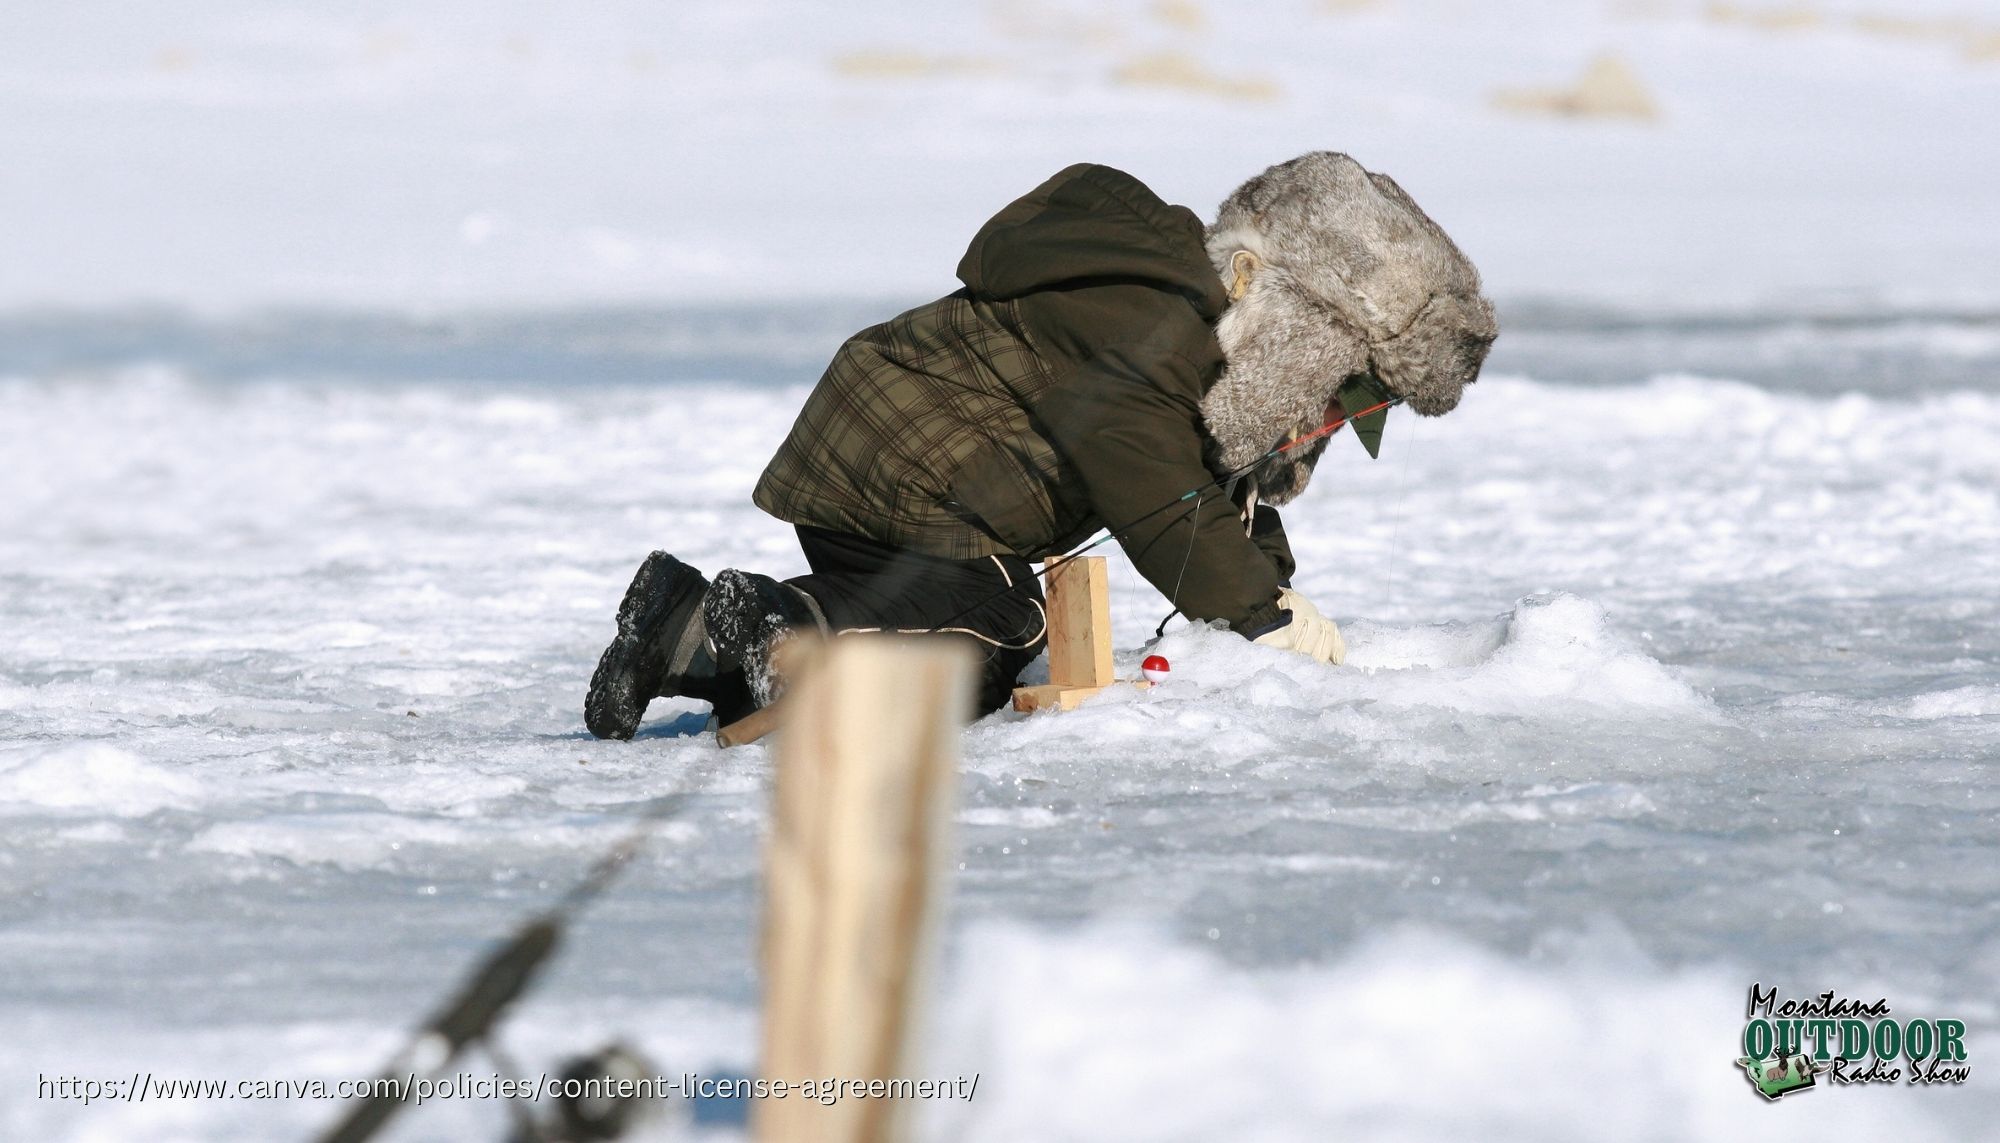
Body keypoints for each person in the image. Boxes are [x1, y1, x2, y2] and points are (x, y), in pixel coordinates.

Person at [584, 152, 1496, 740]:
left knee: (948, 646)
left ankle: (693, 630)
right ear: (1296, 324)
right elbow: (1162, 502)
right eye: (1339, 388)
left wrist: (1272, 587)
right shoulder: (1153, 322)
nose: (1328, 420)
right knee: (999, 620)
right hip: (910, 457)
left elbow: (1217, 487)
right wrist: (1259, 612)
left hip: (896, 470)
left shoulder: (1201, 348)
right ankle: (777, 624)